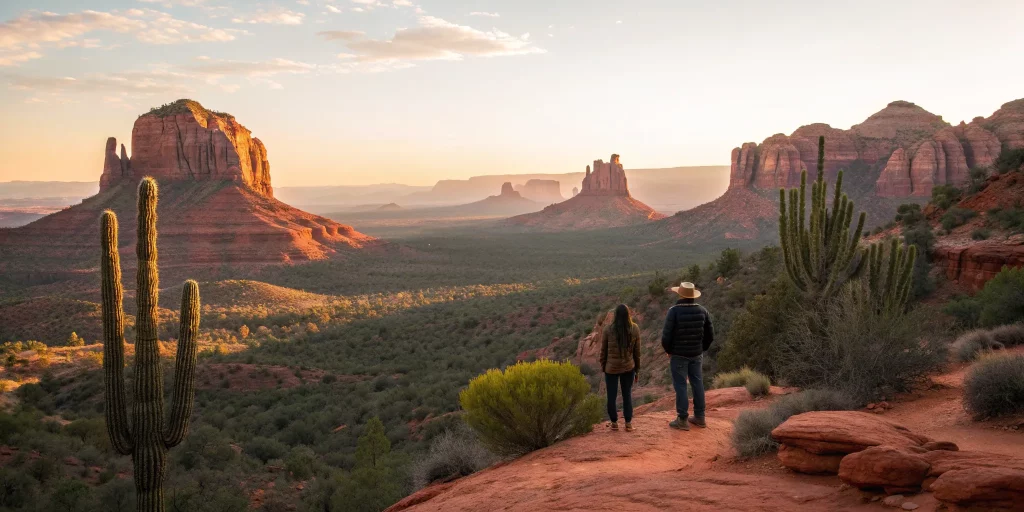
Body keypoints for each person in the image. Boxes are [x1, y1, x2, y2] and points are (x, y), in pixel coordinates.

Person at [661, 282, 714, 431]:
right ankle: (700, 417)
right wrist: (701, 348)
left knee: (681, 385)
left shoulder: (674, 311)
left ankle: (682, 419)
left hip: (678, 355)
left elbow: (666, 336)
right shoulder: (703, 311)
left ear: (680, 294)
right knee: (697, 383)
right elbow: (710, 335)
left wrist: (669, 351)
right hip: (696, 354)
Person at [601, 304, 641, 432]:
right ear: (628, 315)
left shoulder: (608, 329)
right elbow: (637, 353)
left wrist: (604, 367)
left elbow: (603, 352)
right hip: (628, 368)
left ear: (615, 315)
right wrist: (637, 370)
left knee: (611, 397)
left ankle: (614, 423)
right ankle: (628, 424)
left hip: (611, 369)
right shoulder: (634, 329)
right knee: (627, 395)